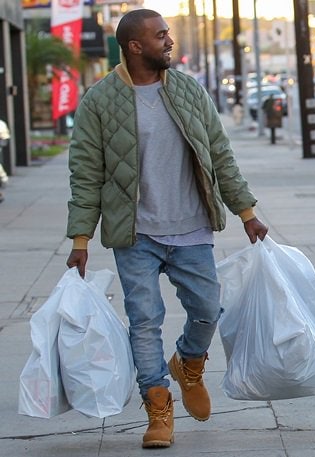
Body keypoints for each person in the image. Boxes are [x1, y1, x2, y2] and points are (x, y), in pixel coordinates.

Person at [66, 9, 268, 449]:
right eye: (160, 36)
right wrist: (80, 238)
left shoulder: (188, 90)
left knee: (208, 308)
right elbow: (85, 174)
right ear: (135, 46)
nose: (169, 41)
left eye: (168, 34)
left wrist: (246, 211)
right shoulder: (100, 101)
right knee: (144, 321)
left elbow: (219, 154)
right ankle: (158, 406)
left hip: (192, 226)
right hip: (135, 233)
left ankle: (189, 363)